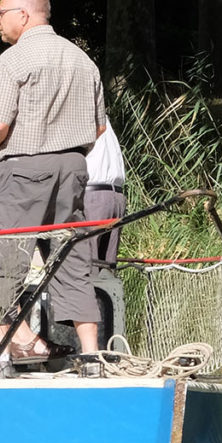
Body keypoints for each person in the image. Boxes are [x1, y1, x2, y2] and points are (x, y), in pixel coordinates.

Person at [0, 0, 107, 363]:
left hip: (24, 167)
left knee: (6, 258)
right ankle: (91, 354)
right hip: (74, 168)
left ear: (23, 14)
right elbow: (99, 127)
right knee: (70, 255)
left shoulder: (14, 60)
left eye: (1, 13)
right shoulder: (83, 60)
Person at [79, 117, 126, 351]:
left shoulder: (83, 108)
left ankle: (100, 345)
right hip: (110, 193)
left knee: (91, 274)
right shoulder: (95, 110)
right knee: (97, 273)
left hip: (98, 194)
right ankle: (101, 344)